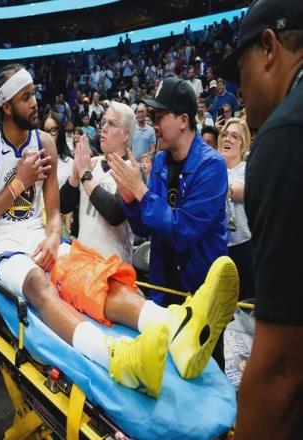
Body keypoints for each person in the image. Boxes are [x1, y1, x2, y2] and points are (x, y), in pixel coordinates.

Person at [0, 64, 238, 398]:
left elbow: (69, 214)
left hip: (179, 273)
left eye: (34, 94)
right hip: (1, 241)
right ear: (6, 106)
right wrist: (23, 182)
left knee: (98, 277)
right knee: (40, 284)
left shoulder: (50, 145)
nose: (35, 102)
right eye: (26, 97)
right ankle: (116, 355)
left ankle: (177, 324)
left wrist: (55, 235)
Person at [219, 0, 303, 436]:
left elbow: (284, 366)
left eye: (241, 72)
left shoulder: (285, 136)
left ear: (269, 47)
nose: (239, 92)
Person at [108, 77, 231, 368]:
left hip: (200, 299)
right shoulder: (161, 162)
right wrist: (130, 199)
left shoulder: (212, 166)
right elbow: (145, 228)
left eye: (160, 116)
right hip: (164, 293)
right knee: (165, 371)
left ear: (183, 120)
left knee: (203, 374)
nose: (154, 124)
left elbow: (184, 230)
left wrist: (141, 192)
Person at [60, 102, 135, 263]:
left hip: (113, 268)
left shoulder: (132, 170)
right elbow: (63, 206)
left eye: (112, 124)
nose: (104, 128)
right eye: (104, 122)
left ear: (126, 135)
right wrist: (75, 177)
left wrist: (85, 175)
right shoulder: (91, 163)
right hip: (82, 263)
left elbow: (115, 214)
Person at [218, 118, 254, 300]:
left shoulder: (248, 169)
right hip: (217, 245)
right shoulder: (214, 167)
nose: (228, 139)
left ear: (243, 143)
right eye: (225, 135)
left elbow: (239, 191)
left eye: (234, 136)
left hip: (243, 247)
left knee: (243, 301)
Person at [41, 112, 73, 188]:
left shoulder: (70, 163)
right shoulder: (35, 162)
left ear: (60, 132)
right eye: (45, 131)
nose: (48, 136)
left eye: (53, 130)